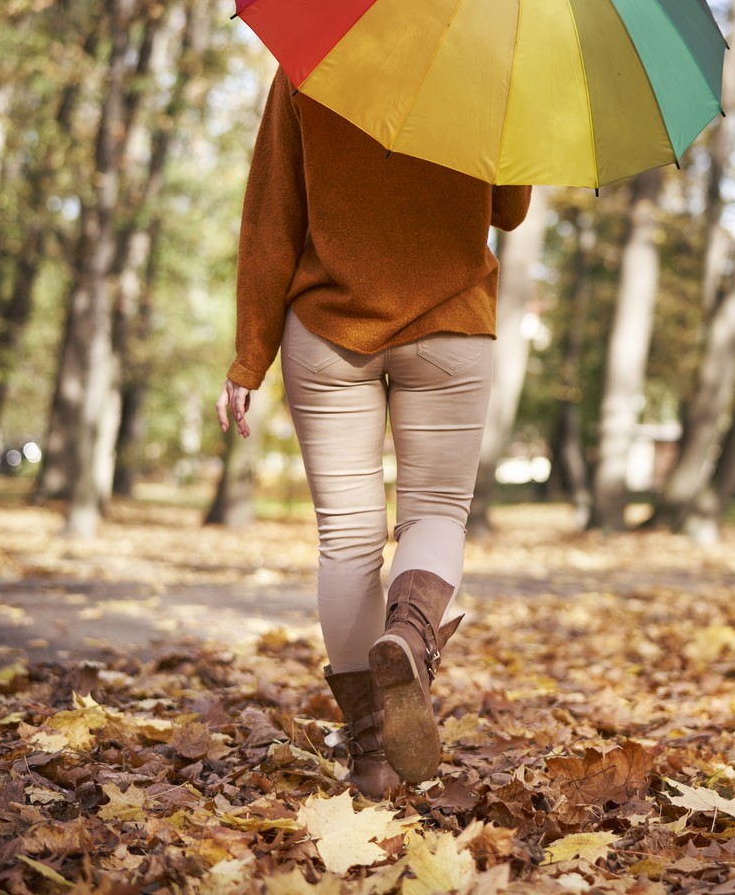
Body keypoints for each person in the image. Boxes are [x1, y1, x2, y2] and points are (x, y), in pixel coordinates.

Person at [215, 68, 530, 798]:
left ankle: (372, 759)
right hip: (451, 325)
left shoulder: (312, 56)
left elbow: (272, 213)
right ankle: (410, 638)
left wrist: (248, 356)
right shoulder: (489, 59)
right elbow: (509, 208)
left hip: (328, 331)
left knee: (348, 539)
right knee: (435, 514)